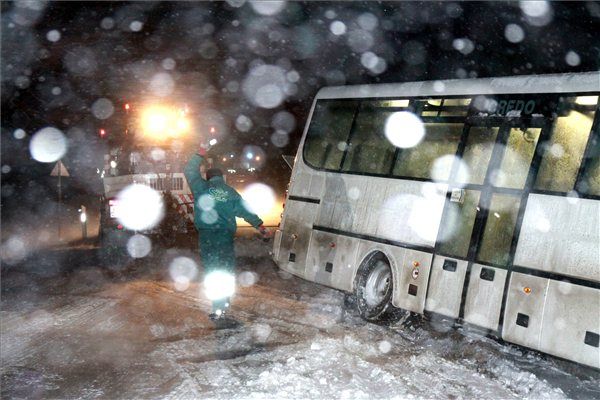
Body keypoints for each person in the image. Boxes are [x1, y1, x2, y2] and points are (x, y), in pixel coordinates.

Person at [184, 146, 270, 320]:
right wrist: (260, 226)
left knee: (212, 271)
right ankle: (223, 303)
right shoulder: (230, 193)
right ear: (221, 177)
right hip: (225, 237)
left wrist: (199, 152)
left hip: (207, 237)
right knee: (225, 269)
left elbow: (189, 170)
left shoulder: (201, 187)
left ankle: (218, 307)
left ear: (208, 178)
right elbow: (246, 211)